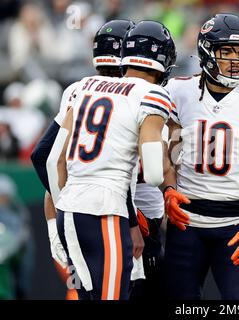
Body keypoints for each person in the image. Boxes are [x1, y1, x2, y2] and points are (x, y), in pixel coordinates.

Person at [45, 20, 176, 300]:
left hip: (68, 210)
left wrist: (59, 213)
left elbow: (53, 160)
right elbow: (153, 173)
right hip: (106, 210)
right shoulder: (151, 94)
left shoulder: (87, 85)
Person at [161, 13, 239, 300]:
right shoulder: (179, 90)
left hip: (237, 224)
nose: (235, 59)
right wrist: (168, 188)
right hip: (187, 221)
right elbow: (171, 155)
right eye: (225, 51)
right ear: (206, 52)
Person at [30, 20, 146, 292]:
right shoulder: (135, 93)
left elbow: (44, 156)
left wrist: (59, 214)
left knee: (86, 290)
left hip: (76, 212)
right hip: (114, 210)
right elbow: (46, 157)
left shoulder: (79, 87)